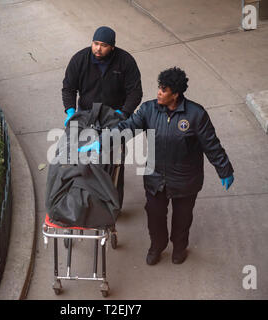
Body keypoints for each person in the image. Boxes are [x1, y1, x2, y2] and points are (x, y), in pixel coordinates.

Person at [79, 67, 234, 265]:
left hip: (185, 180)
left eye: (164, 89)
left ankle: (179, 247)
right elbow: (127, 127)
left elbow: (211, 145)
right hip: (155, 177)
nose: (158, 92)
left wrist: (225, 169)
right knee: (155, 217)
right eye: (159, 87)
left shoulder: (196, 114)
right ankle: (157, 246)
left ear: (176, 94)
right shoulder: (148, 109)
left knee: (182, 218)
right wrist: (103, 141)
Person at [63, 26, 143, 208]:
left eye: (104, 45)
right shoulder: (79, 59)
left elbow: (135, 92)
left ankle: (114, 204)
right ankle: (80, 197)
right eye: (96, 43)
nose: (98, 48)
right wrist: (70, 111)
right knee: (80, 155)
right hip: (86, 114)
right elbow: (68, 87)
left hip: (113, 116)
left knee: (115, 160)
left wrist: (123, 114)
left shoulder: (125, 62)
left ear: (112, 47)